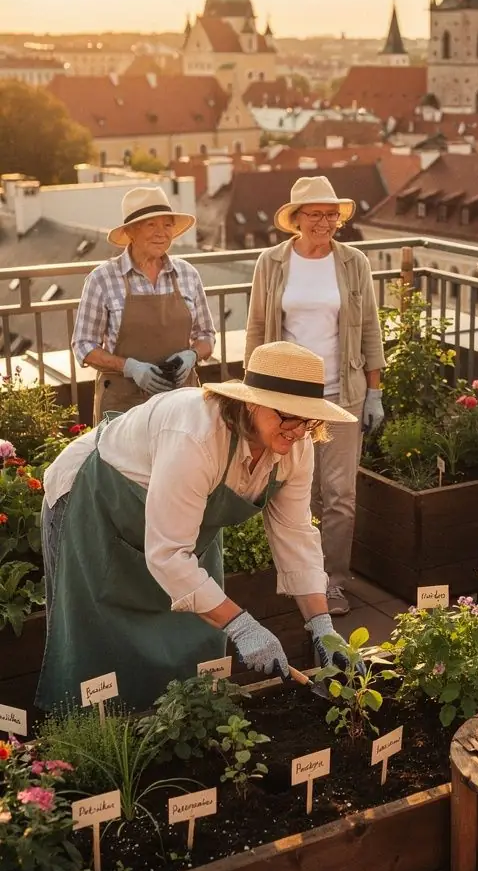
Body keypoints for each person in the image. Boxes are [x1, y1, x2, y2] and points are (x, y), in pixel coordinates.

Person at [36, 342, 356, 713]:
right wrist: (242, 625)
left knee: (194, 651)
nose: (298, 430)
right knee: (93, 651)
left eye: (309, 420)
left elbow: (296, 533)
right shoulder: (195, 435)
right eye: (288, 416)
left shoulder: (295, 446)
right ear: (252, 402)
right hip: (94, 508)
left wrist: (322, 627)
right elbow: (169, 555)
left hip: (171, 535)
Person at [244, 175, 386, 616]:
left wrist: (375, 392)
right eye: (314, 214)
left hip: (342, 394)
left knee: (340, 493)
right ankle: (302, 579)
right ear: (297, 219)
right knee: (297, 492)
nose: (323, 222)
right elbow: (254, 329)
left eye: (330, 214)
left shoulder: (353, 262)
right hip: (287, 398)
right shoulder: (271, 263)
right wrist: (253, 392)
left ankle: (334, 583)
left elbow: (369, 329)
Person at [72, 185, 215, 424]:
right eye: (151, 225)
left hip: (181, 402)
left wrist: (191, 355)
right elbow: (83, 345)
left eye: (167, 225)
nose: (161, 233)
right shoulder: (102, 279)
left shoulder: (188, 275)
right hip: (124, 405)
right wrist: (131, 368)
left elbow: (207, 336)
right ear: (130, 231)